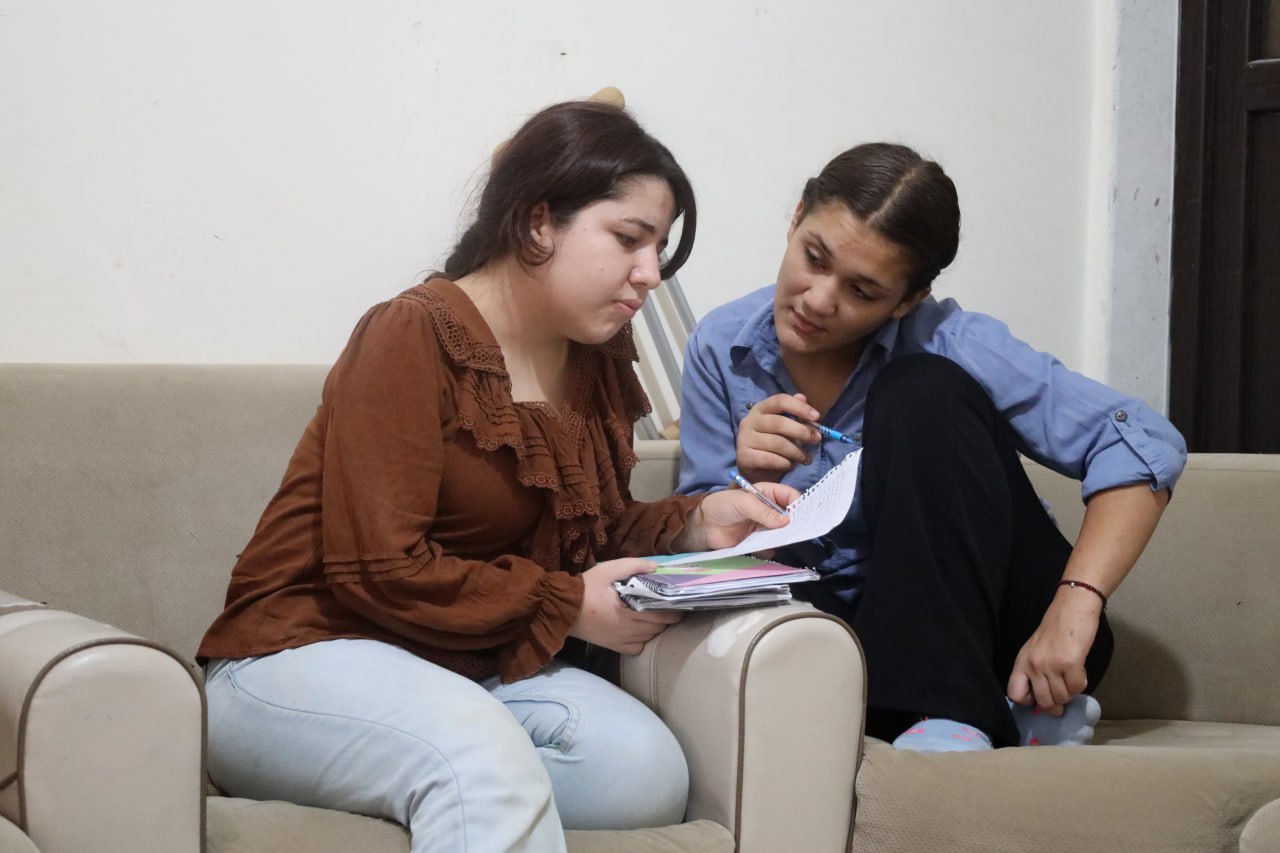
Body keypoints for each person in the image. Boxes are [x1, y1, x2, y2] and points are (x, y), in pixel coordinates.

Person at [196, 99, 798, 853]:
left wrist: (698, 521)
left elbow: (587, 533)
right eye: (628, 239)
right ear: (539, 222)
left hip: (462, 670)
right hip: (299, 654)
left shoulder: (595, 353)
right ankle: (448, 778)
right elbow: (377, 566)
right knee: (479, 753)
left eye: (659, 247)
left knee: (640, 771)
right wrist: (567, 605)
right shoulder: (411, 332)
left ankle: (430, 791)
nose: (650, 273)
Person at [677, 142, 1187, 752]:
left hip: (1010, 633)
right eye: (814, 258)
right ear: (797, 216)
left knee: (921, 387)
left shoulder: (950, 339)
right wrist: (746, 483)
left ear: (907, 300)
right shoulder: (722, 346)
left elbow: (1143, 444)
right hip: (845, 641)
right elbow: (696, 548)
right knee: (769, 617)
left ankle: (954, 713)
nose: (817, 300)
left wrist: (1076, 605)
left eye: (862, 291)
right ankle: (1001, 720)